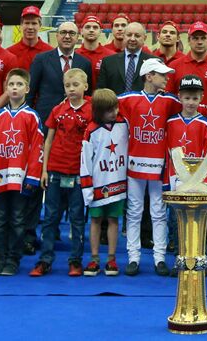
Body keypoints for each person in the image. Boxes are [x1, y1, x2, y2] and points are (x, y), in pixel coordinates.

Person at [118, 58, 181, 276]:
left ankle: (159, 258)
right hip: (134, 166)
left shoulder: (170, 101)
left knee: (158, 212)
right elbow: (103, 103)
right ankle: (133, 257)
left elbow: (195, 106)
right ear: (148, 76)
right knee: (134, 212)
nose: (166, 78)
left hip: (159, 168)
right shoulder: (128, 99)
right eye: (162, 74)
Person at [0, 68, 45, 277]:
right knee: (0, 219)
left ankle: (13, 260)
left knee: (18, 219)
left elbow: (37, 149)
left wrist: (32, 177)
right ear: (5, 88)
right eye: (11, 85)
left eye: (19, 84)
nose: (14, 88)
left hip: (21, 179)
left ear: (27, 89)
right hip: (0, 178)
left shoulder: (31, 116)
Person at [37, 67, 91, 277]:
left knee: (77, 219)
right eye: (67, 86)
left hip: (78, 173)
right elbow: (48, 140)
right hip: (55, 171)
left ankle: (75, 260)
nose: (71, 89)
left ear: (85, 87)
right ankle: (45, 259)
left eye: (75, 85)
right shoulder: (57, 110)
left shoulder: (91, 111)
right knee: (50, 217)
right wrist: (44, 170)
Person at [80, 88, 128, 276]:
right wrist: (87, 187)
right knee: (95, 220)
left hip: (117, 183)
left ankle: (111, 258)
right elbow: (85, 161)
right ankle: (94, 258)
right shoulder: (91, 131)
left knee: (114, 220)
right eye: (109, 110)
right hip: (98, 184)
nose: (114, 113)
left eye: (115, 108)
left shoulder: (124, 124)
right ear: (99, 111)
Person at [29, 21, 93, 128]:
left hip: (76, 122)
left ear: (77, 37)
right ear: (57, 35)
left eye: (72, 33)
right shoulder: (41, 59)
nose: (67, 36)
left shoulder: (85, 63)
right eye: (63, 32)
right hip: (45, 118)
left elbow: (87, 94)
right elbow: (30, 93)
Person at [166, 22, 207, 104]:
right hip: (182, 116)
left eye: (203, 38)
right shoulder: (174, 66)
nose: (199, 42)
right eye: (195, 38)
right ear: (189, 40)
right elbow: (168, 96)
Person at [97, 21, 152, 94]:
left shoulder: (153, 61)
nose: (132, 39)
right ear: (124, 36)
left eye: (137, 36)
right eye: (129, 35)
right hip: (115, 104)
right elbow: (101, 91)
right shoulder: (108, 62)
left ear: (145, 38)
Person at [6, 5, 52, 70]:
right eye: (27, 23)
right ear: (21, 25)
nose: (30, 27)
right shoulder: (10, 52)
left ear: (40, 26)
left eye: (34, 23)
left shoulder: (50, 52)